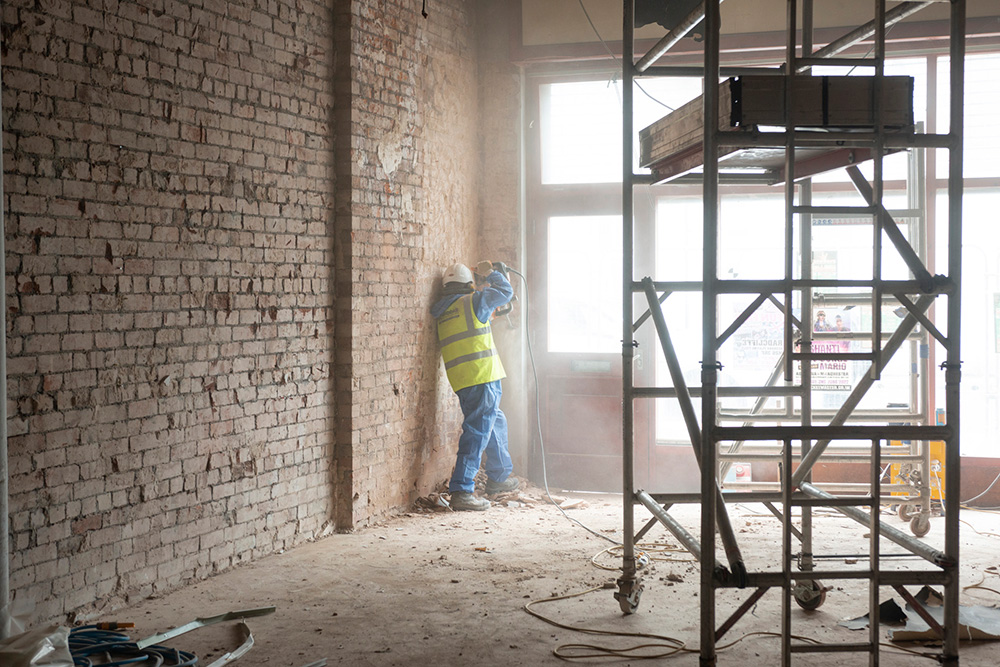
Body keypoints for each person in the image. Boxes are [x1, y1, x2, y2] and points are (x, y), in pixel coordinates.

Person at [431, 261, 519, 511]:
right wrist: (491, 273)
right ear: (469, 284)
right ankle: (461, 490)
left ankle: (499, 476)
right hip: (483, 376)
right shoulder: (474, 302)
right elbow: (505, 293)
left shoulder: (443, 311)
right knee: (477, 431)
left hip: (463, 380)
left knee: (494, 421)